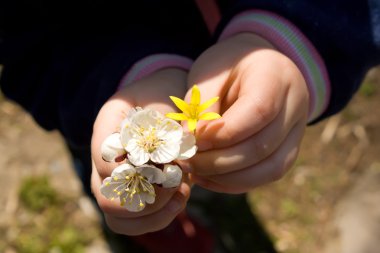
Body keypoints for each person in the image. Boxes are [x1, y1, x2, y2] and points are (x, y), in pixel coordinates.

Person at [1, 1, 379, 252]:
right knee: (128, 190)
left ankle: (206, 198)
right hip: (105, 99)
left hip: (229, 74)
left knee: (220, 160)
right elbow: (28, 42)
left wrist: (289, 36)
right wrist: (126, 74)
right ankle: (156, 231)